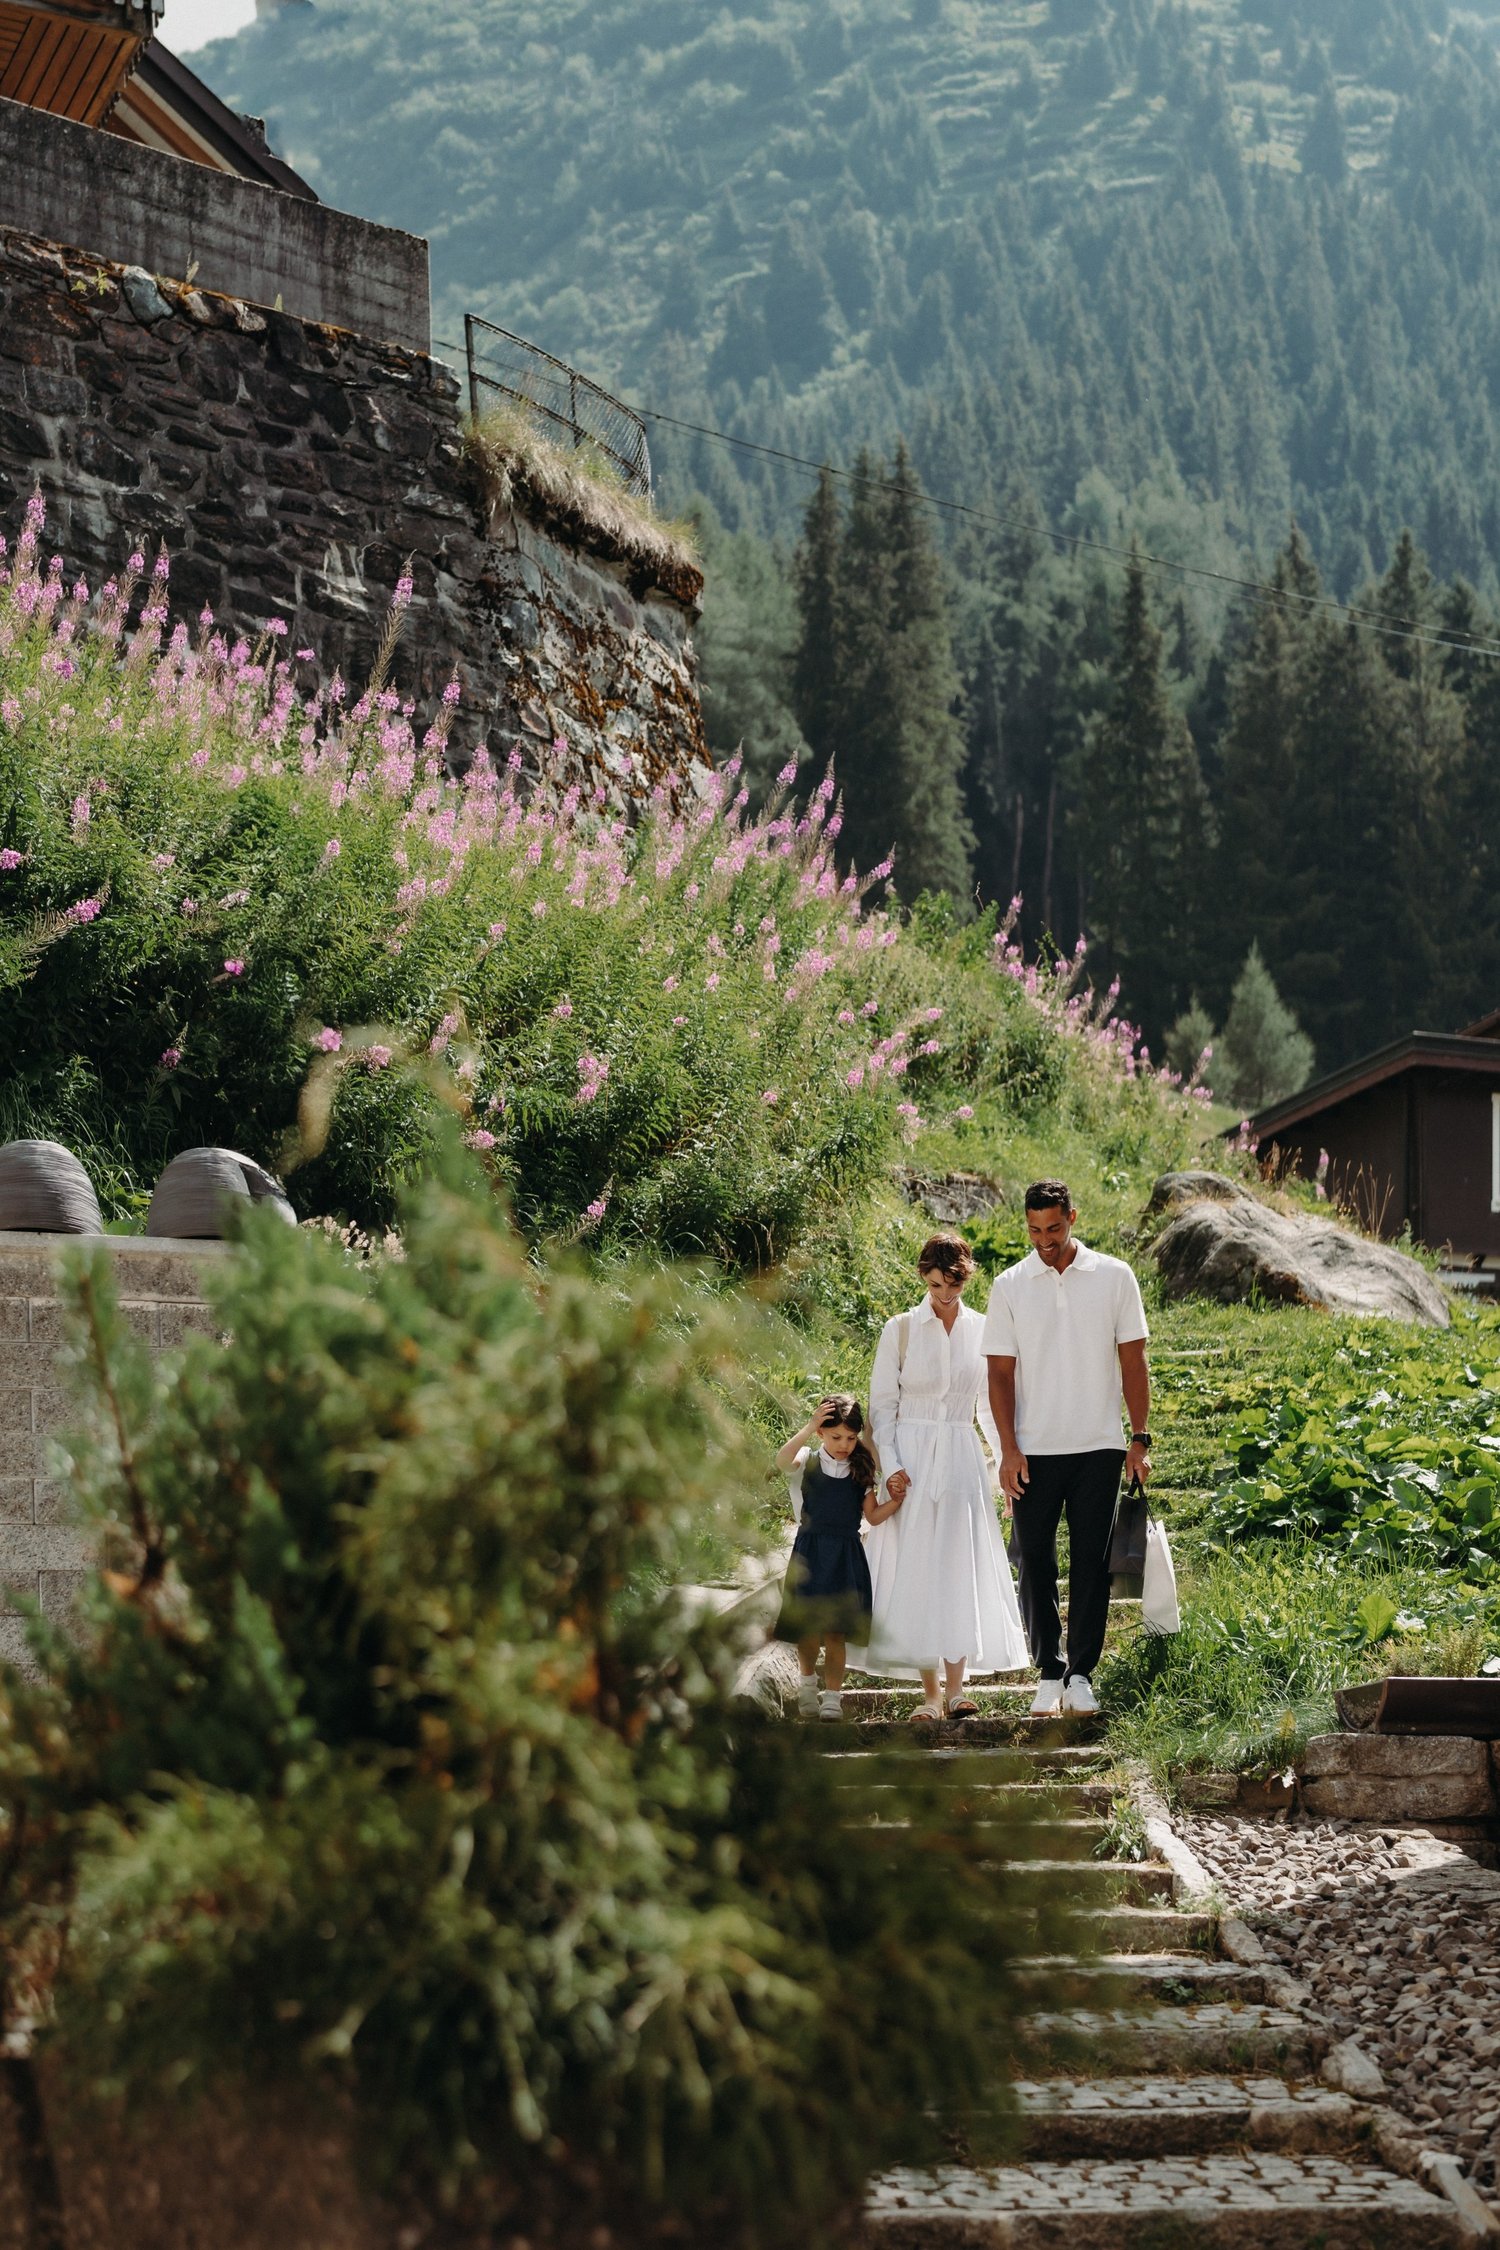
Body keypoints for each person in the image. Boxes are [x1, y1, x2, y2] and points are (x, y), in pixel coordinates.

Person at [982, 1180, 1151, 1719]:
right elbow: (1000, 1375)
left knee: (1091, 1565)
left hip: (1099, 1446)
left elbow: (1133, 1362)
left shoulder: (1115, 1277)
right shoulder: (1009, 1285)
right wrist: (1008, 1449)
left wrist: (1139, 1438)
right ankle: (1048, 1672)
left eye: (1053, 1228)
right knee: (1033, 1560)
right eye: (1034, 1230)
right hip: (1032, 1450)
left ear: (1072, 1217)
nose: (1044, 1240)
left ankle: (1080, 1674)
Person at [865, 1233, 1029, 1723]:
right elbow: (882, 1407)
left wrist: (1005, 1464)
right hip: (910, 1458)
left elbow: (987, 1405)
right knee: (918, 1568)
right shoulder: (900, 1330)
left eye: (953, 1285)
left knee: (957, 1566)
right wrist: (891, 1467)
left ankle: (958, 1690)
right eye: (936, 1284)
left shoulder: (982, 1330)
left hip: (959, 1454)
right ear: (923, 1276)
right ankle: (930, 1695)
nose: (944, 1294)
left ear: (966, 1277)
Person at [772, 1395, 902, 1722]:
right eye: (836, 1437)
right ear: (821, 1434)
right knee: (809, 1629)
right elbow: (781, 1460)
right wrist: (809, 1425)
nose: (844, 1444)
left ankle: (833, 1697)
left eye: (850, 1437)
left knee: (836, 1633)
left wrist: (897, 1501)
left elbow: (872, 1516)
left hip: (846, 1555)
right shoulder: (806, 1459)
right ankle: (806, 1687)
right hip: (810, 1553)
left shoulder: (861, 1469)